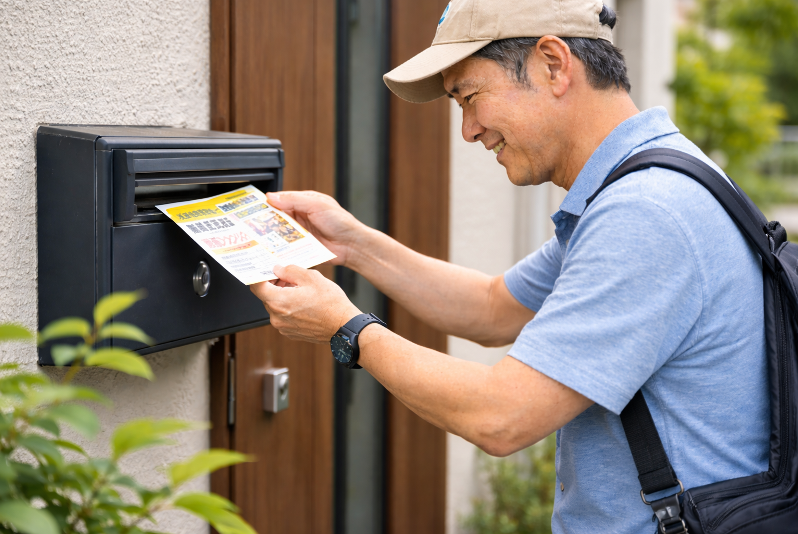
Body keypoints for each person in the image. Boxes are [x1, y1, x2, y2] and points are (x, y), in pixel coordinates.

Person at [250, 1, 769, 532]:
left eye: (470, 98)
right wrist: (354, 245)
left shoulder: (645, 214)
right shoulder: (639, 185)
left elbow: (501, 417)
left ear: (553, 64)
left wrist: (348, 330)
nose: (469, 131)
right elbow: (494, 307)